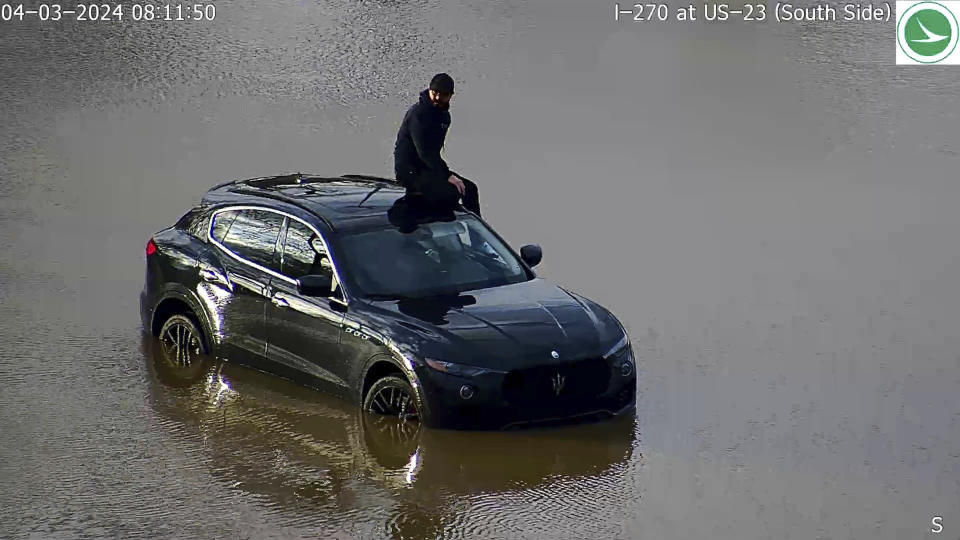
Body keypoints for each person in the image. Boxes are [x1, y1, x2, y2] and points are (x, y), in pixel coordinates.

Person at [394, 73, 481, 217]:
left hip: (428, 168)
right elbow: (425, 153)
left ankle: (477, 234)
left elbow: (433, 153)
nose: (438, 98)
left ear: (451, 95)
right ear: (429, 90)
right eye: (435, 93)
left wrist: (444, 174)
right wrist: (447, 175)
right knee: (452, 193)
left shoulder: (444, 117)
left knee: (470, 189)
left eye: (444, 95)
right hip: (410, 171)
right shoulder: (419, 114)